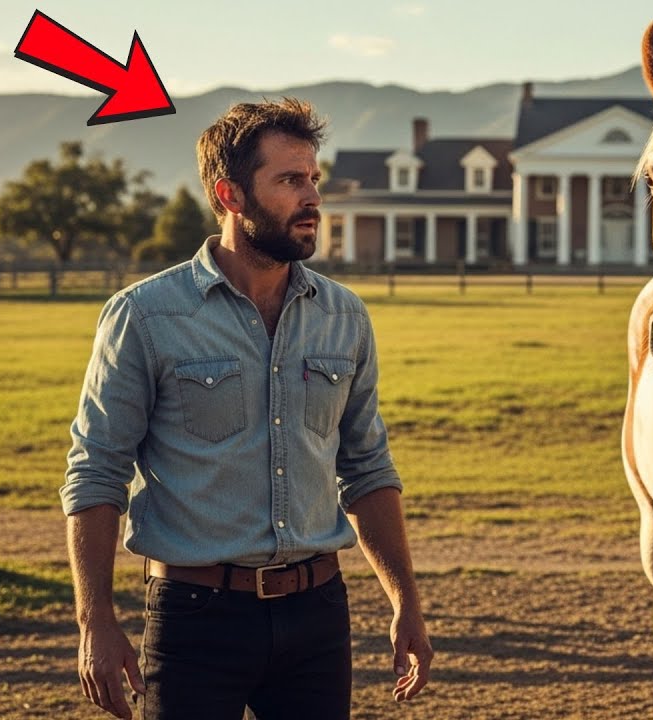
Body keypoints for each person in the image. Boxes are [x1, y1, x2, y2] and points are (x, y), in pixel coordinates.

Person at [60, 97, 432, 720]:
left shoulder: (345, 317)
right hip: (194, 621)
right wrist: (95, 620)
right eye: (289, 180)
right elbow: (96, 472)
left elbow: (367, 470)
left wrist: (407, 603)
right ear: (230, 194)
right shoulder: (145, 316)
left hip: (318, 616)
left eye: (313, 178)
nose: (312, 196)